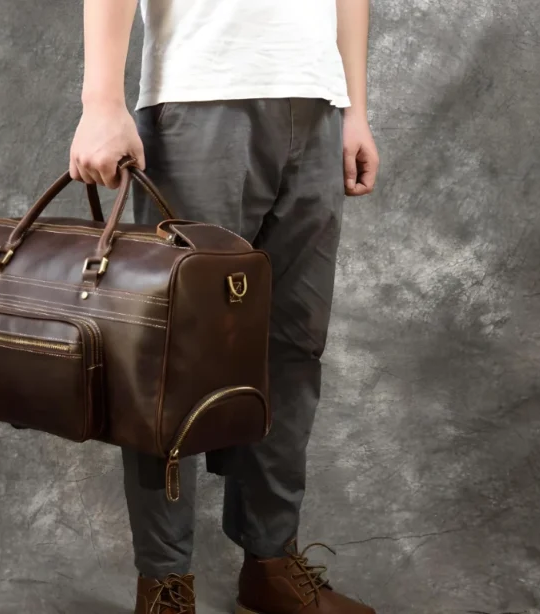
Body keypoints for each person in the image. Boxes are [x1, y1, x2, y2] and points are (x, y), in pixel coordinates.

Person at [69, 1, 380, 612]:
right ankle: (165, 586)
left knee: (291, 351)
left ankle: (269, 565)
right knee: (171, 363)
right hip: (199, 96)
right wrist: (100, 101)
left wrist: (355, 109)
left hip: (317, 104)